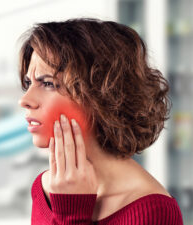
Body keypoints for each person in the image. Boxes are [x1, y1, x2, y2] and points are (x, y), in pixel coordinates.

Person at [17, 18, 183, 225]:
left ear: (101, 95)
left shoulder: (154, 211)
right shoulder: (44, 188)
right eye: (28, 83)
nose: (25, 101)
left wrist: (72, 214)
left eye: (48, 84)